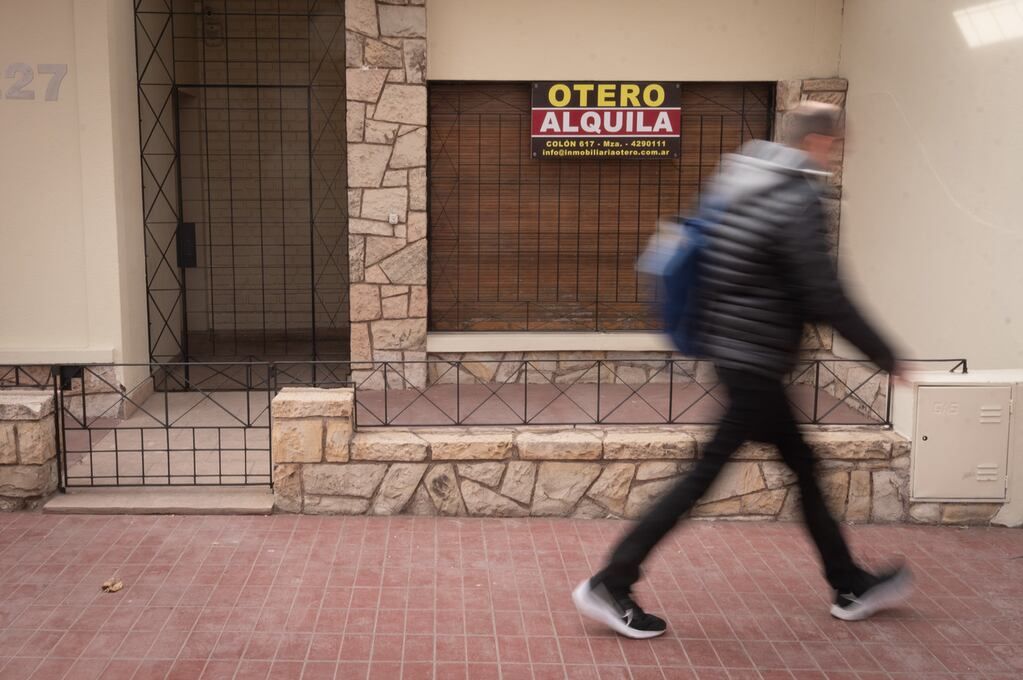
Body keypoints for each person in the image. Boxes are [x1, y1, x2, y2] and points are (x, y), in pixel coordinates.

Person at [573, 102, 912, 639]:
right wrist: (885, 354)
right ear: (820, 143)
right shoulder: (795, 198)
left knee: (800, 467)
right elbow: (823, 291)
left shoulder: (738, 182)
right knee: (705, 476)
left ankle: (849, 583)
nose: (839, 155)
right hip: (757, 360)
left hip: (733, 353)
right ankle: (613, 582)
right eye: (838, 145)